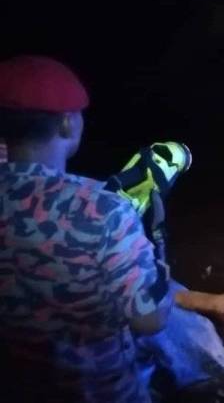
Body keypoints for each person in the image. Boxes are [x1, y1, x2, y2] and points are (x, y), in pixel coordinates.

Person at [0, 55, 174, 402]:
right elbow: (149, 321)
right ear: (67, 124)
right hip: (97, 391)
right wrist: (161, 269)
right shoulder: (103, 208)